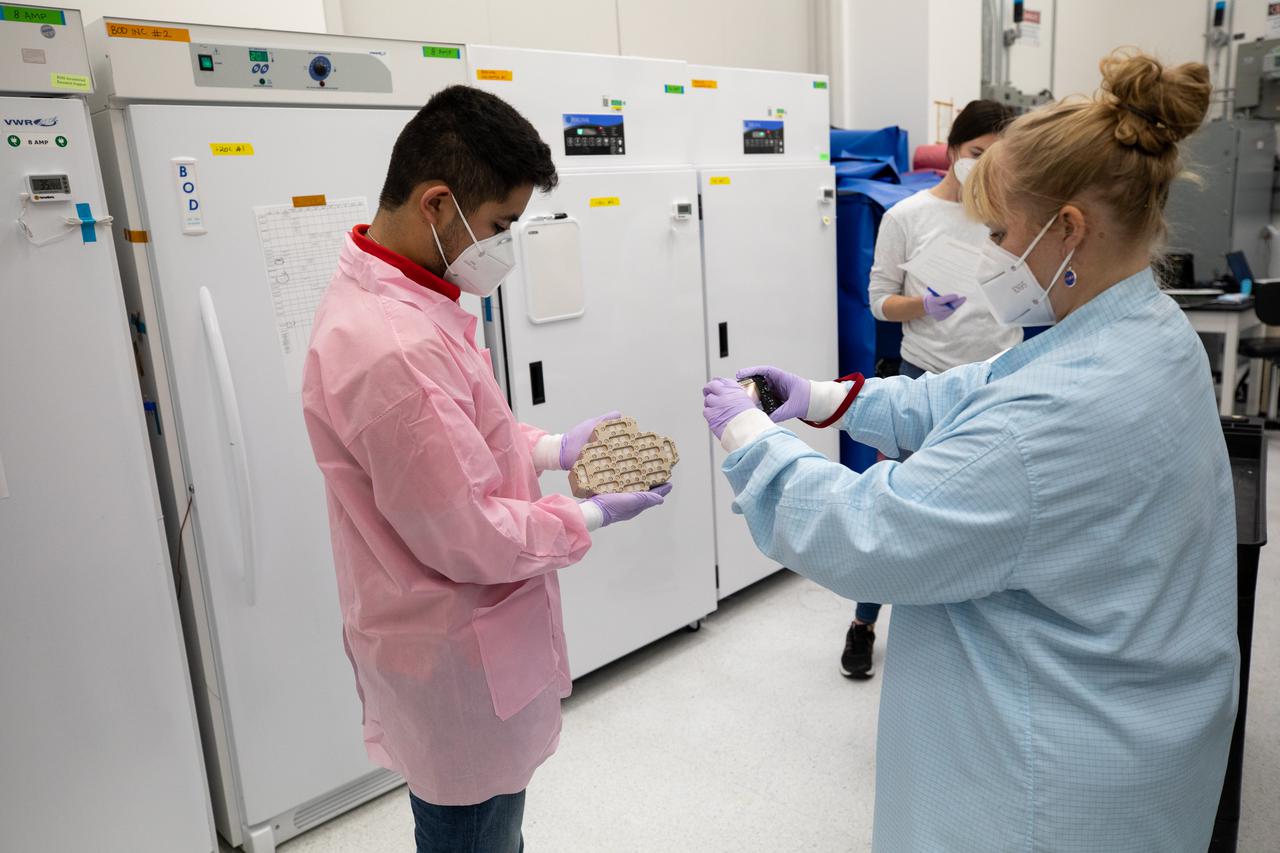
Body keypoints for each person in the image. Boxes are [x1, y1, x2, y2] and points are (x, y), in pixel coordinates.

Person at [702, 51, 1237, 851]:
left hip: (1042, 778)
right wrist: (824, 398)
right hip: (1137, 719)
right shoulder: (1148, 331)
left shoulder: (1052, 419)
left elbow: (869, 534)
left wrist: (753, 443)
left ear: (1069, 229)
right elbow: (975, 389)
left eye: (1001, 232)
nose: (992, 252)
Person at [301, 85, 670, 853]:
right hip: (454, 655)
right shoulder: (393, 347)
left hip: (471, 633)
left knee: (492, 830)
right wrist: (590, 512)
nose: (505, 245)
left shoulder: (409, 296)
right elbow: (468, 530)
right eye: (501, 225)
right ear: (438, 203)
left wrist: (553, 447)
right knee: (475, 835)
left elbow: (462, 440)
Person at [842, 99, 1019, 680]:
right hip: (924, 377)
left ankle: (966, 637)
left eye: (999, 157)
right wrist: (923, 305)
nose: (985, 166)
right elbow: (878, 301)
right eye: (977, 153)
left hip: (994, 381)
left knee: (981, 513)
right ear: (950, 150)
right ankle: (864, 621)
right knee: (894, 505)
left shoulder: (1012, 212)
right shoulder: (908, 216)